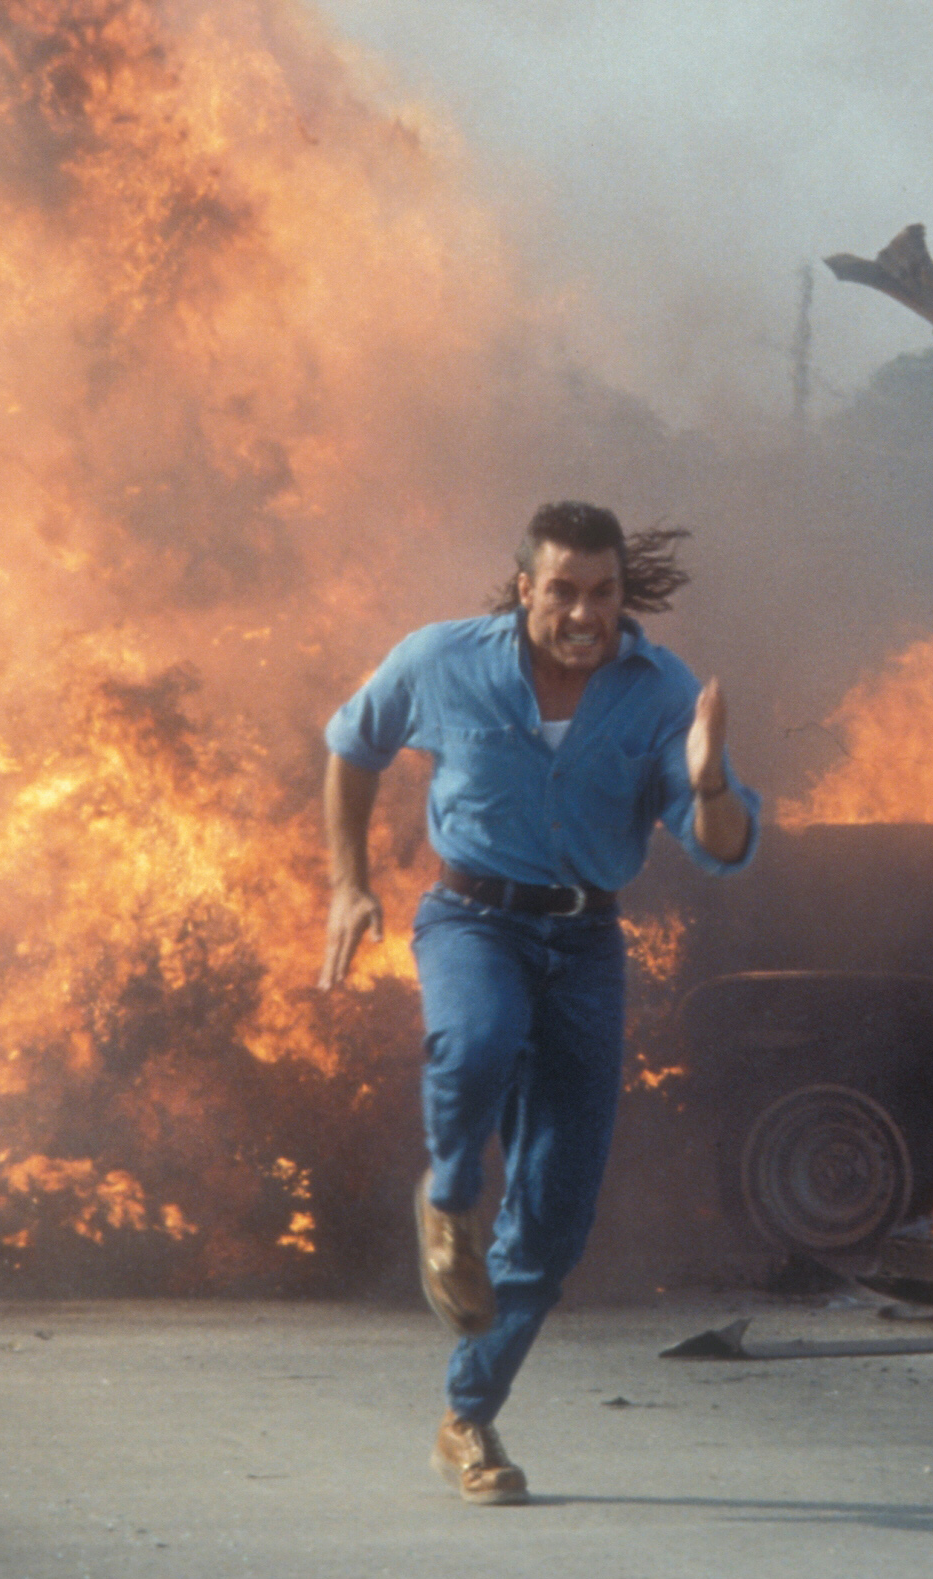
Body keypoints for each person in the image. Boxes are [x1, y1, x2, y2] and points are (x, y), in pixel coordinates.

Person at [318, 501, 758, 1505]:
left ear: (619, 593)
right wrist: (348, 882)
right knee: (474, 1041)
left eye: (602, 591)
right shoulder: (440, 660)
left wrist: (711, 778)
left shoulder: (662, 693)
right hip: (472, 919)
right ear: (525, 586)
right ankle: (446, 1200)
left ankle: (467, 1418)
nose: (583, 611)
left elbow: (723, 846)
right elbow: (353, 744)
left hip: (588, 941)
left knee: (556, 1218)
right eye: (562, 588)